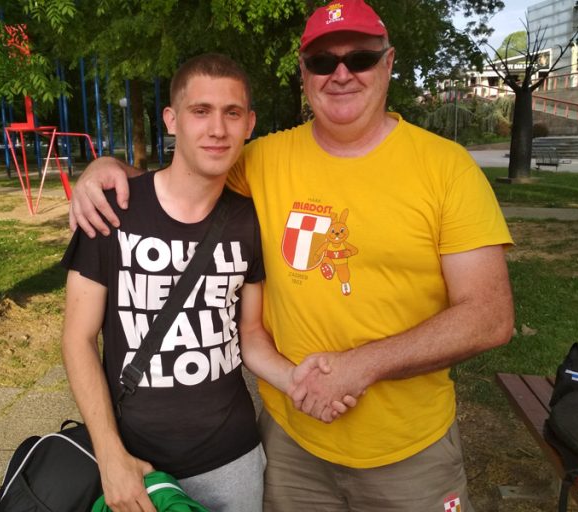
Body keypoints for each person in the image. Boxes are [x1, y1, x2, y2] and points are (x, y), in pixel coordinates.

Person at [68, 1, 515, 510]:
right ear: (304, 73)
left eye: (360, 58)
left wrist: (364, 365)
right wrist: (106, 169)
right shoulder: (263, 159)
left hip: (409, 453)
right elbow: (187, 175)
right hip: (291, 446)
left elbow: (489, 316)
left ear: (388, 63)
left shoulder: (447, 168)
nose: (341, 74)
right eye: (323, 62)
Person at [61, 53, 354, 512]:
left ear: (249, 124)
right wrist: (110, 454)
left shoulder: (250, 222)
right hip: (133, 457)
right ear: (171, 119)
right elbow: (77, 338)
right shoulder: (112, 211)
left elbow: (250, 334)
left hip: (231, 459)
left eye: (231, 113)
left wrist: (293, 379)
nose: (217, 129)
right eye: (201, 111)